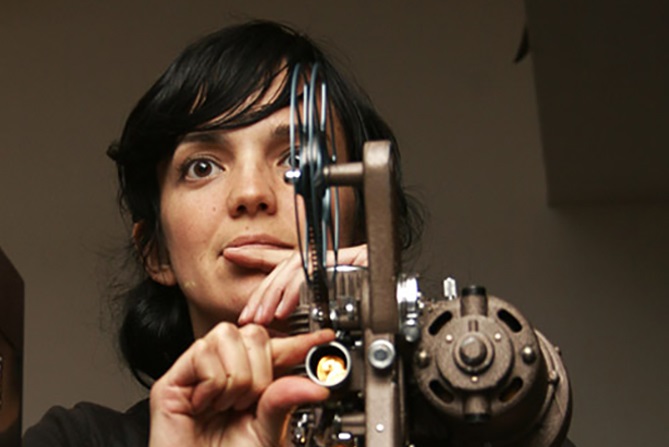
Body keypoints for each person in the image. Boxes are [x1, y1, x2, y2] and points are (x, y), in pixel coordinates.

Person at [23, 20, 422, 446]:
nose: (250, 194)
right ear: (156, 252)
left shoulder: (465, 423)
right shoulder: (75, 439)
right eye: (202, 167)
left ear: (363, 225)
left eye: (296, 161)